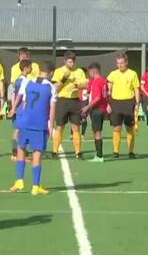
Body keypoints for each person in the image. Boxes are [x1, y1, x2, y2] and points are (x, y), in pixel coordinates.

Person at [9, 61, 56, 195]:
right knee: (37, 152)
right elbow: (52, 110)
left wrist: (13, 109)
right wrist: (50, 127)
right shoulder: (51, 87)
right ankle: (35, 186)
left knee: (21, 148)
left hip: (25, 121)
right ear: (51, 73)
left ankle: (19, 181)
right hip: (39, 123)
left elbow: (20, 97)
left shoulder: (28, 81)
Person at [51, 51, 88, 159]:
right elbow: (55, 88)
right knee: (60, 126)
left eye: (73, 62)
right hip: (62, 100)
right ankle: (54, 151)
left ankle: (78, 152)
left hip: (75, 101)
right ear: (65, 61)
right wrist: (64, 79)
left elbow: (85, 84)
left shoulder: (79, 71)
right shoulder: (59, 71)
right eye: (69, 62)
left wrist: (76, 84)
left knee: (76, 127)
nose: (72, 64)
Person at [106, 52, 141, 159]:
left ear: (126, 62)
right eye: (118, 63)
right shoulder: (113, 74)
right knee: (117, 128)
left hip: (128, 103)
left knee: (129, 128)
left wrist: (137, 103)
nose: (119, 65)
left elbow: (136, 89)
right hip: (116, 103)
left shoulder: (133, 74)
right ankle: (116, 151)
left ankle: (131, 151)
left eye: (121, 63)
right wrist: (108, 103)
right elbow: (108, 90)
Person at [81, 62, 109, 162]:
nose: (89, 74)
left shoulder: (97, 82)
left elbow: (97, 97)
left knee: (97, 132)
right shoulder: (103, 81)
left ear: (93, 71)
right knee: (97, 131)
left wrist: (87, 107)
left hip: (97, 109)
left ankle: (99, 156)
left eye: (89, 72)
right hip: (102, 109)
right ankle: (99, 155)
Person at [7, 60, 32, 161]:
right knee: (20, 131)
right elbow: (21, 96)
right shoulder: (24, 81)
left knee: (18, 130)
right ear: (26, 68)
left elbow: (14, 95)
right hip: (22, 108)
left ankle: (15, 153)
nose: (32, 69)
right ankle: (18, 154)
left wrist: (13, 108)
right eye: (30, 67)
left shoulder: (17, 80)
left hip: (18, 108)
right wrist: (14, 108)